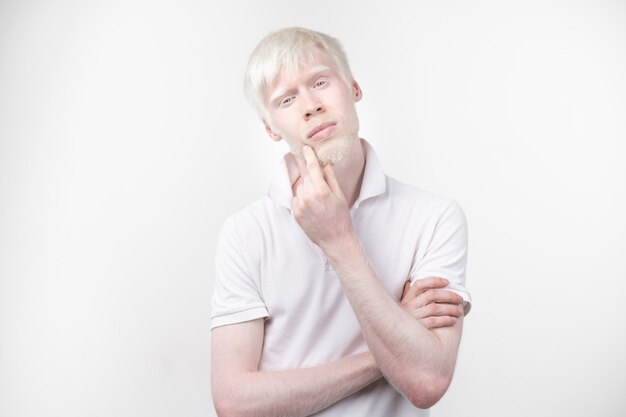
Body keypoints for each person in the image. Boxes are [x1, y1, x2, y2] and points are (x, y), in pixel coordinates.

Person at [211, 27, 471, 417]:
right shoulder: (244, 233)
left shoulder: (435, 218)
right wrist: (392, 341)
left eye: (320, 81)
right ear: (270, 127)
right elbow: (233, 402)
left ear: (353, 88)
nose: (311, 105)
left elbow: (427, 382)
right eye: (286, 99)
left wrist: (339, 239)